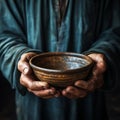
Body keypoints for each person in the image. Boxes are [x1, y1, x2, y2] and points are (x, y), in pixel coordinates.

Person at [0, 0, 120, 120]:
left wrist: (104, 53)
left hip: (89, 103)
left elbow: (115, 32)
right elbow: (4, 35)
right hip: (33, 107)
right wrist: (18, 57)